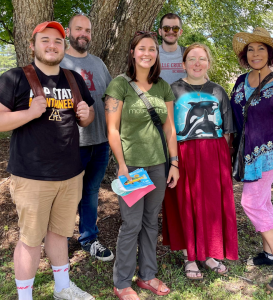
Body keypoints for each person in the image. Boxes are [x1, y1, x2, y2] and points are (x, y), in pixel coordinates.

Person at [0, 21, 95, 300]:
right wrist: (29, 113)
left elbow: (88, 117)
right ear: (32, 45)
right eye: (45, 40)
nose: (52, 45)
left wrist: (84, 114)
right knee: (30, 240)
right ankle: (25, 297)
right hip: (32, 176)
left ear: (64, 47)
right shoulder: (15, 77)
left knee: (59, 233)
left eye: (57, 41)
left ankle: (62, 288)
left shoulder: (73, 78)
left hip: (70, 173)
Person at [104, 31, 179, 300]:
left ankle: (147, 275)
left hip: (159, 165)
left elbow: (169, 127)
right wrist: (121, 165)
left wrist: (174, 163)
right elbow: (112, 130)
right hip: (132, 168)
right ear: (133, 53)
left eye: (152, 49)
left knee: (150, 222)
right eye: (142, 48)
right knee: (131, 223)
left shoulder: (162, 87)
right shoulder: (119, 85)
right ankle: (122, 282)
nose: (147, 53)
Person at [163, 42, 239, 280]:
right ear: (183, 63)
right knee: (187, 201)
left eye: (202, 59)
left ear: (208, 63)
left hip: (213, 152)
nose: (197, 63)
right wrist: (173, 159)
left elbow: (227, 130)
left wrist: (223, 160)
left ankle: (209, 254)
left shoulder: (217, 91)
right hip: (184, 153)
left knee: (211, 203)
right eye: (192, 59)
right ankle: (190, 255)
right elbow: (168, 128)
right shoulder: (172, 89)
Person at [231, 27, 273, 291]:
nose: (255, 53)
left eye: (261, 49)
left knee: (251, 203)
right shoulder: (239, 81)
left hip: (268, 155)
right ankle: (269, 254)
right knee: (263, 202)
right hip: (245, 153)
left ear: (270, 54)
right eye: (250, 49)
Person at [60, 14, 113, 261]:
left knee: (91, 191)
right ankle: (57, 240)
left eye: (88, 30)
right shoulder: (58, 62)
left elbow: (111, 100)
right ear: (68, 32)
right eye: (78, 29)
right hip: (70, 143)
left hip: (100, 141)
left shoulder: (99, 64)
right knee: (64, 194)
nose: (83, 34)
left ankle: (88, 238)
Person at [158, 13, 186, 84]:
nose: (171, 31)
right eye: (166, 28)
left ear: (180, 32)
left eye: (175, 28)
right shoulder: (151, 54)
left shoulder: (188, 54)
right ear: (160, 32)